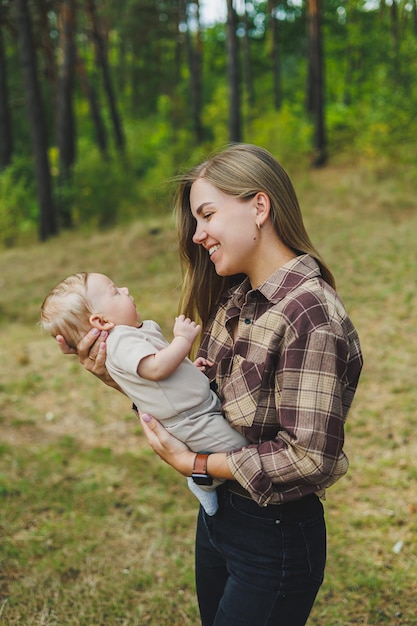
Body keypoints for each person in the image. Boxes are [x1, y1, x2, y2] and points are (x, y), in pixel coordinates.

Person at [56, 143, 363, 626]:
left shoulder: (310, 314)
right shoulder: (236, 300)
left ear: (259, 206)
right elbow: (198, 405)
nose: (197, 235)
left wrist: (194, 462)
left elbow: (309, 458)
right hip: (222, 519)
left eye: (206, 215)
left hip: (275, 535)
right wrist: (119, 378)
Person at [41, 271, 248, 516]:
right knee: (240, 449)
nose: (126, 289)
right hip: (191, 420)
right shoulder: (119, 342)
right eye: (115, 291)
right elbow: (157, 368)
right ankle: (204, 481)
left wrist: (190, 369)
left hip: (198, 408)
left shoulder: (132, 333)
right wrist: (182, 340)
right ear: (101, 322)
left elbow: (162, 376)